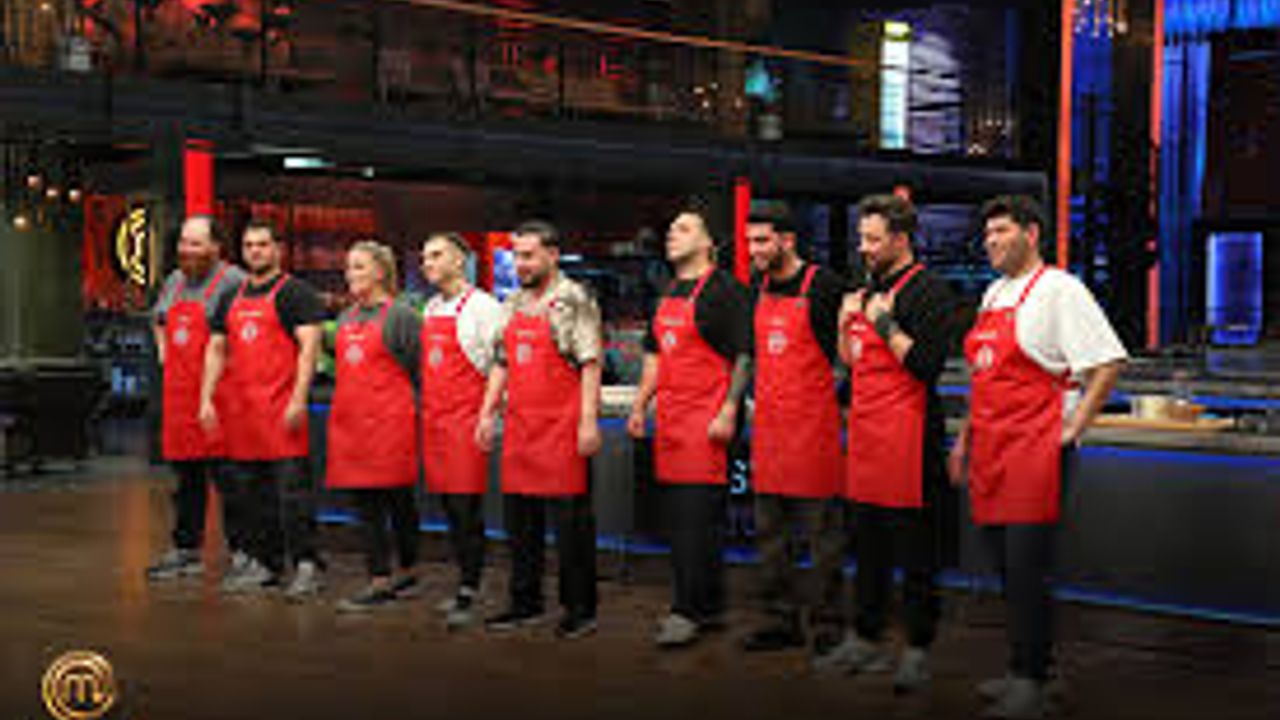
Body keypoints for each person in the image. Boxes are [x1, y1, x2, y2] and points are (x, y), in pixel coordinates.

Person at [949, 195, 1126, 719]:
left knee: (1029, 569)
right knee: (1005, 568)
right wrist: (964, 441)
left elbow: (1108, 362)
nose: (991, 242)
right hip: (991, 448)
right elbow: (983, 380)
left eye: (1001, 231)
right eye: (987, 233)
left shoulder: (1060, 290)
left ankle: (1033, 682)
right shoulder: (993, 293)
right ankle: (1026, 669)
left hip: (1036, 451)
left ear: (1031, 234)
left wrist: (1074, 427)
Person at [819, 194, 958, 694]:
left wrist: (884, 323)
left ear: (901, 239)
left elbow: (926, 366)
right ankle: (865, 637)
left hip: (910, 439)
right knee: (868, 546)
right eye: (862, 238)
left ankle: (918, 649)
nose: (864, 248)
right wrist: (844, 324)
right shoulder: (864, 289)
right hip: (866, 436)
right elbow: (852, 362)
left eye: (873, 239)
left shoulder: (929, 290)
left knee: (915, 552)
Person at [627, 208, 751, 648]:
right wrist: (641, 404)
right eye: (670, 229)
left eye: (683, 229)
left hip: (708, 421)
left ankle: (686, 610)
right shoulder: (667, 291)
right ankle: (709, 608)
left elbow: (744, 354)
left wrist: (730, 409)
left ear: (707, 242)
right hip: (672, 420)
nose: (671, 235)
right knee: (681, 522)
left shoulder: (726, 291)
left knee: (696, 522)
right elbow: (655, 356)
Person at [475, 220, 602, 640]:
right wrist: (486, 413)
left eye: (529, 256)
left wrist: (588, 421)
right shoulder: (511, 302)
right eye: (517, 256)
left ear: (552, 254)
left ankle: (580, 610)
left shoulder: (574, 299)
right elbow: (501, 363)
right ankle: (524, 602)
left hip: (563, 429)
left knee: (571, 531)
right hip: (521, 431)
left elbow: (590, 363)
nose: (521, 264)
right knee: (521, 527)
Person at [200, 220, 327, 598]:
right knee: (252, 497)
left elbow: (309, 349)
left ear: (277, 250)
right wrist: (206, 398)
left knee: (293, 496)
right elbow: (216, 349)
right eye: (249, 245)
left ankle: (307, 565)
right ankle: (267, 566)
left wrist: (299, 398)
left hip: (282, 411)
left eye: (262, 244)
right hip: (244, 414)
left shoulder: (296, 294)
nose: (255, 251)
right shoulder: (230, 296)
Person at [740, 205, 846, 654]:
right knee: (770, 534)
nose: (754, 250)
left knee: (822, 536)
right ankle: (780, 620)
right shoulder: (757, 288)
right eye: (750, 242)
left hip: (814, 429)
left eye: (762, 241)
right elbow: (753, 355)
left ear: (787, 240)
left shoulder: (824, 286)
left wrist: (838, 402)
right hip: (769, 430)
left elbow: (846, 357)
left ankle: (827, 623)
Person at [146, 215, 247, 581]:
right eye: (184, 243)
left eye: (195, 244)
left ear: (216, 247)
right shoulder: (175, 280)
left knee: (229, 480)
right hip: (179, 397)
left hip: (220, 396)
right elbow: (158, 319)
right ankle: (186, 550)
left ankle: (244, 553)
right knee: (186, 480)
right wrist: (164, 353)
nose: (186, 250)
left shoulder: (233, 281)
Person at [327, 241, 423, 612]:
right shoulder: (346, 318)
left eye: (359, 267)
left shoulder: (401, 317)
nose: (350, 274)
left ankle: (408, 570)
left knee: (399, 501)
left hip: (390, 423)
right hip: (352, 424)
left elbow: (418, 371)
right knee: (365, 503)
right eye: (348, 267)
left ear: (380, 272)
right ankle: (379, 578)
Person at [420, 232, 503, 629]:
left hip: (467, 422)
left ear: (459, 260)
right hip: (436, 421)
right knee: (450, 509)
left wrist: (488, 415)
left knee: (466, 508)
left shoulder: (484, 307)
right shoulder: (431, 307)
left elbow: (500, 366)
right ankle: (465, 581)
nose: (428, 263)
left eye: (436, 255)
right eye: (425, 257)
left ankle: (472, 587)